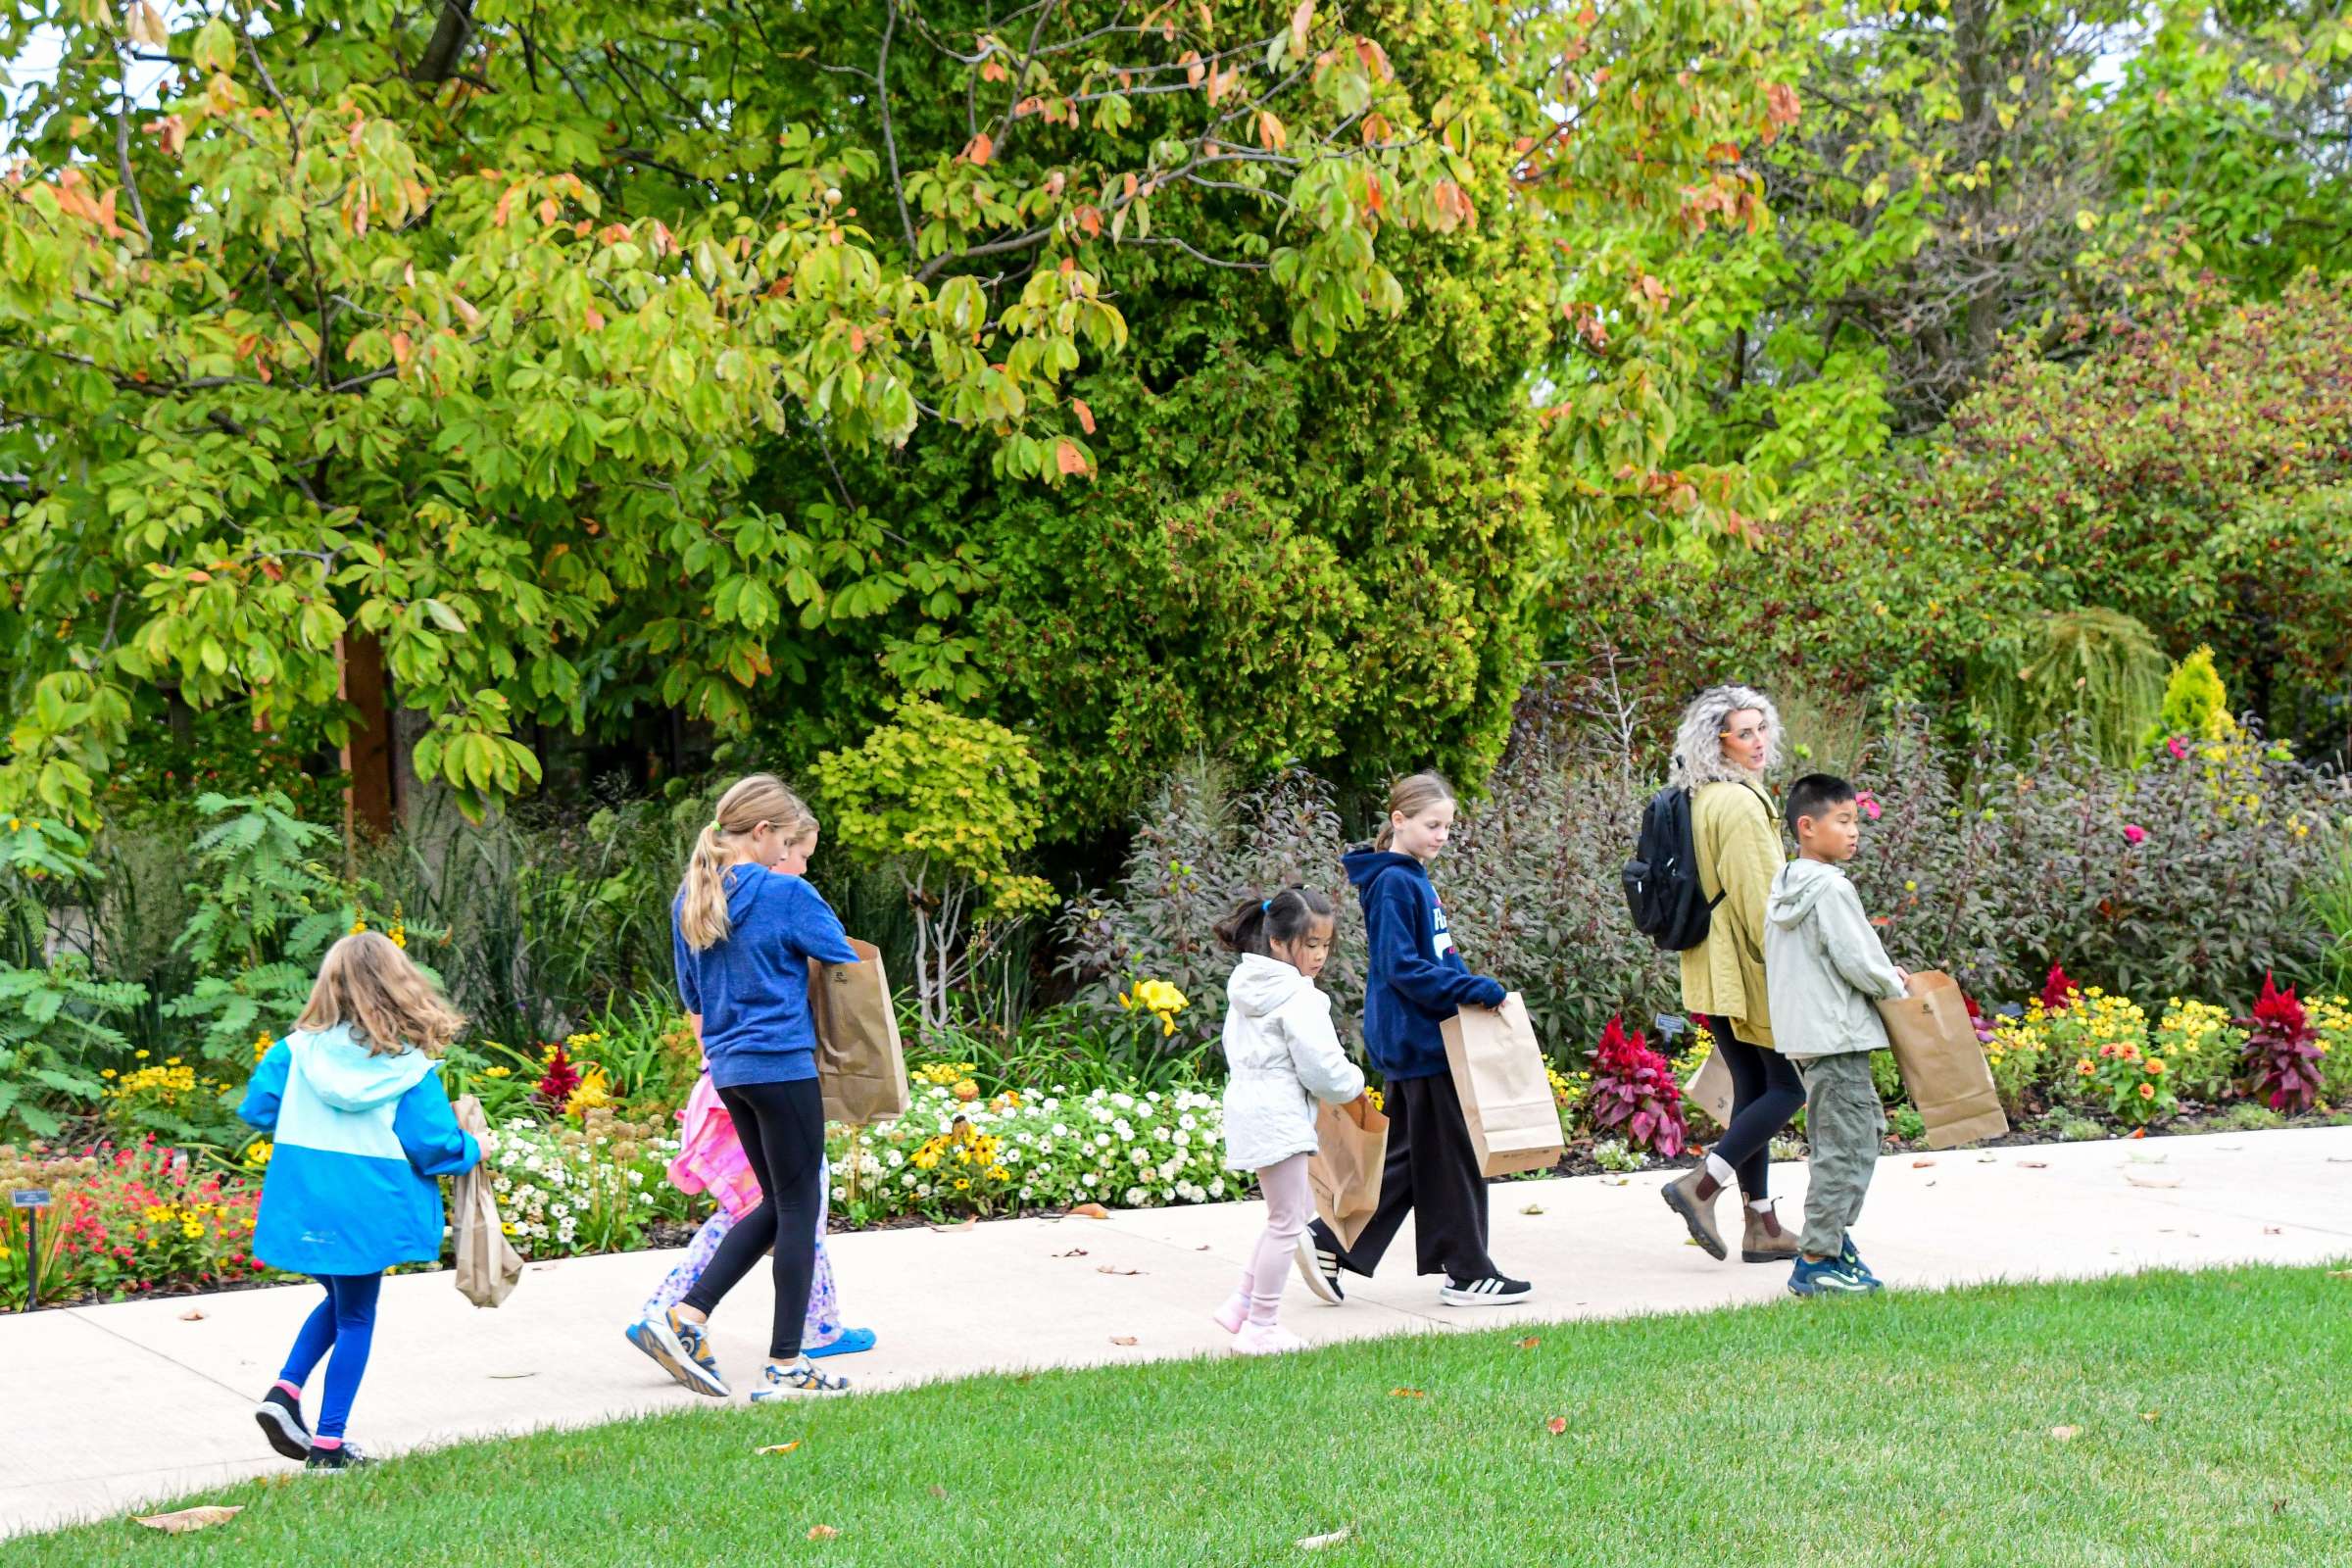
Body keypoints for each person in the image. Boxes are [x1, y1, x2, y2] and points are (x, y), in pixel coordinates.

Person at [636, 774, 860, 1400]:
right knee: (799, 1207)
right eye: (789, 840)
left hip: (730, 1071)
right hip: (783, 1065)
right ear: (762, 833)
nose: (793, 853)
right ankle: (785, 1363)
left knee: (775, 1202)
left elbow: (691, 996)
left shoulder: (693, 895)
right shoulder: (783, 893)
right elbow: (841, 955)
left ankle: (687, 1313)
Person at [238, 931, 482, 1471]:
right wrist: (475, 1147)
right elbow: (434, 1146)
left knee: (340, 1303)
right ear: (400, 987)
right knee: (354, 1317)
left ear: (331, 986)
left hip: (308, 1197)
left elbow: (258, 1109)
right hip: (369, 1205)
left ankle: (284, 1395)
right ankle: (328, 1445)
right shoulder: (408, 1068)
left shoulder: (294, 1052)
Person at [1301, 772, 1534, 1308]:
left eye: (1448, 827)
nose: (1441, 835)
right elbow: (1401, 967)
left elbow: (1434, 958)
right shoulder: (1395, 882)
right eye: (1432, 825)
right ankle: (1468, 1272)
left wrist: (1468, 986)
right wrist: (1473, 990)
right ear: (1398, 821)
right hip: (1419, 1042)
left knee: (1412, 1160)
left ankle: (1329, 1239)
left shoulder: (1409, 878)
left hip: (1422, 1040)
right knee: (1453, 1156)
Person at [1658, 685, 1806, 1265]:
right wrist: (1796, 968)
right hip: (1745, 965)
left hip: (1709, 964)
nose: (1759, 742)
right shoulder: (1742, 805)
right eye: (1744, 733)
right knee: (1787, 1088)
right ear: (1716, 741)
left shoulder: (1702, 796)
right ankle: (1700, 1186)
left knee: (1752, 1086)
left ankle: (1762, 1224)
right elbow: (1764, 903)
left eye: (1762, 728)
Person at [1765, 773, 1910, 1297]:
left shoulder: (1786, 884)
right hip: (1838, 1035)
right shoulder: (1830, 888)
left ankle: (1835, 1241)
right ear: (1807, 827)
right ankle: (1816, 1260)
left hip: (1811, 1035)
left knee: (1861, 1132)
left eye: (1856, 821)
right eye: (1843, 821)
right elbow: (1860, 960)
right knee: (1845, 1147)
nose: (1854, 833)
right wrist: (1901, 987)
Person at [1209, 887, 1366, 1355]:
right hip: (1279, 1115)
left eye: (1324, 946)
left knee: (1287, 1216)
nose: (1318, 956)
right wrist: (1355, 1083)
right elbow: (1322, 1070)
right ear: (1278, 943)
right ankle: (1262, 1323)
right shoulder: (1299, 997)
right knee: (1287, 1222)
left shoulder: (1248, 986)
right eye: (1309, 944)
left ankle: (1242, 1303)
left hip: (1250, 1106)